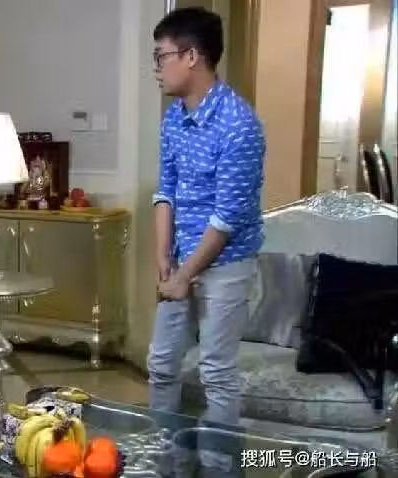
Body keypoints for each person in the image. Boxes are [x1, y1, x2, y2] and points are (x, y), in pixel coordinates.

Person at [147, 7, 265, 426]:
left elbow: (226, 219)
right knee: (161, 363)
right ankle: (162, 452)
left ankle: (219, 458)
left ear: (192, 56)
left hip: (226, 263)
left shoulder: (239, 125)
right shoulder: (174, 118)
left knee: (216, 371)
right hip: (181, 258)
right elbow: (166, 190)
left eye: (161, 56)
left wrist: (185, 275)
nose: (157, 68)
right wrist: (164, 255)